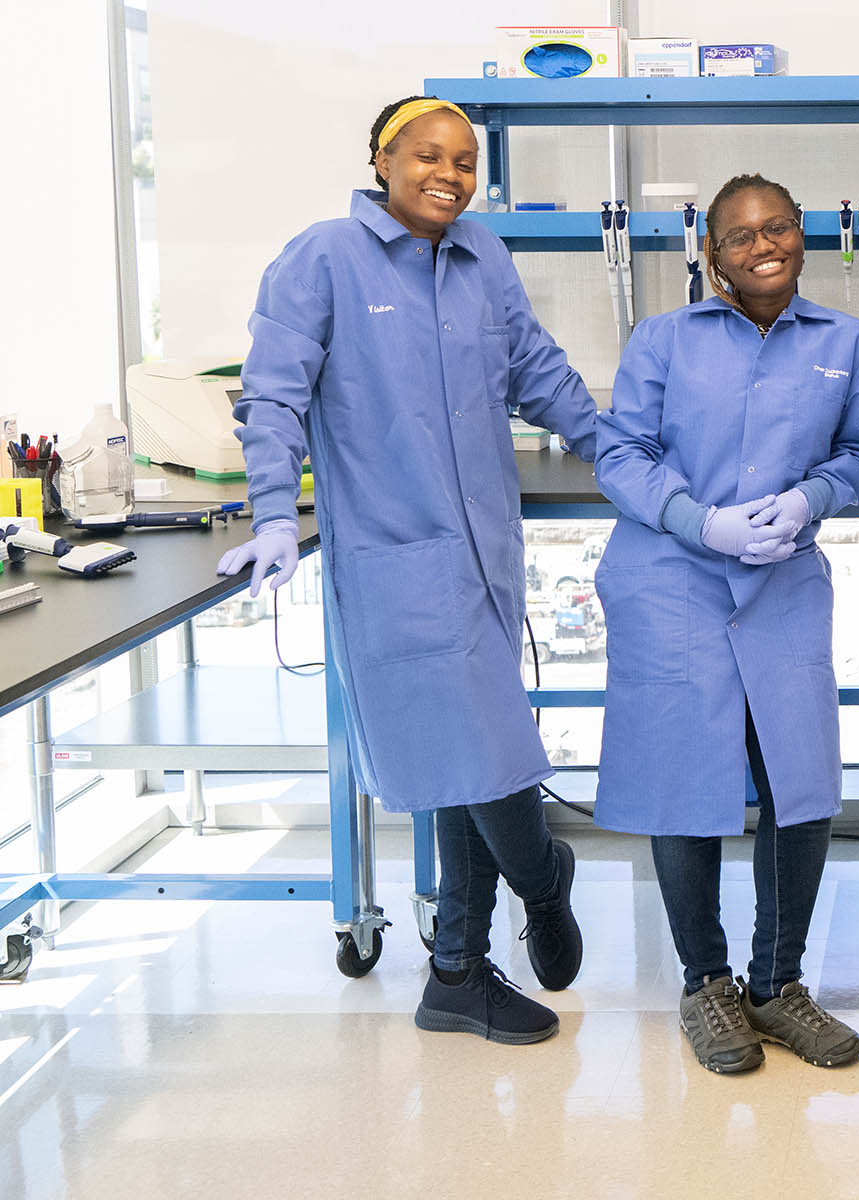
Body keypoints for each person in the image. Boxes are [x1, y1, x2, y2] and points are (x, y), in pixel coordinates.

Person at [218, 95, 598, 1046]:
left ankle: (457, 975)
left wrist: (626, 448)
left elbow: (539, 372)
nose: (451, 173)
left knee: (461, 764)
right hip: (396, 559)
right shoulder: (322, 258)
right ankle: (543, 880)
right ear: (382, 160)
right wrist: (274, 513)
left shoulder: (485, 257)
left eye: (467, 161)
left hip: (484, 556)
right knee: (477, 758)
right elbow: (270, 395)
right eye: (428, 155)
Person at [593, 174, 859, 1074]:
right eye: (740, 234)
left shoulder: (850, 343)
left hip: (784, 576)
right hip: (672, 574)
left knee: (801, 781)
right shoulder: (660, 339)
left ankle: (777, 985)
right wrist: (700, 521)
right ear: (710, 253)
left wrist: (809, 499)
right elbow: (621, 454)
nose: (764, 244)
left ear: (806, 234)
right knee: (684, 780)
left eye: (780, 227)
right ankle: (706, 984)